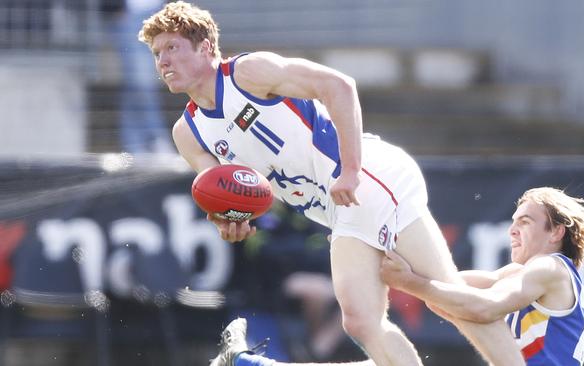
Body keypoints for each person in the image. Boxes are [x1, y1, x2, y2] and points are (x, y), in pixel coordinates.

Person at [138, 2, 525, 365]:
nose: (164, 61)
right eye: (157, 54)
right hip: (342, 208)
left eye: (172, 47)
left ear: (206, 48)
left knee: (436, 299)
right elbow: (225, 194)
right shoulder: (187, 133)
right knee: (378, 316)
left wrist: (351, 169)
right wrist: (229, 221)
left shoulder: (248, 73)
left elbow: (339, 86)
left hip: (368, 177)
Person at [380, 187, 584, 365]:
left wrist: (409, 282)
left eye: (525, 222)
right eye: (513, 221)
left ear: (557, 232)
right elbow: (445, 287)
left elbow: (484, 308)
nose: (512, 230)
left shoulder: (550, 268)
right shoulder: (521, 274)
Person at [102, 0, 174, 153]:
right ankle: (155, 138)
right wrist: (114, 10)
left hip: (158, 12)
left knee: (134, 86)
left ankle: (133, 147)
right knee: (140, 82)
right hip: (129, 15)